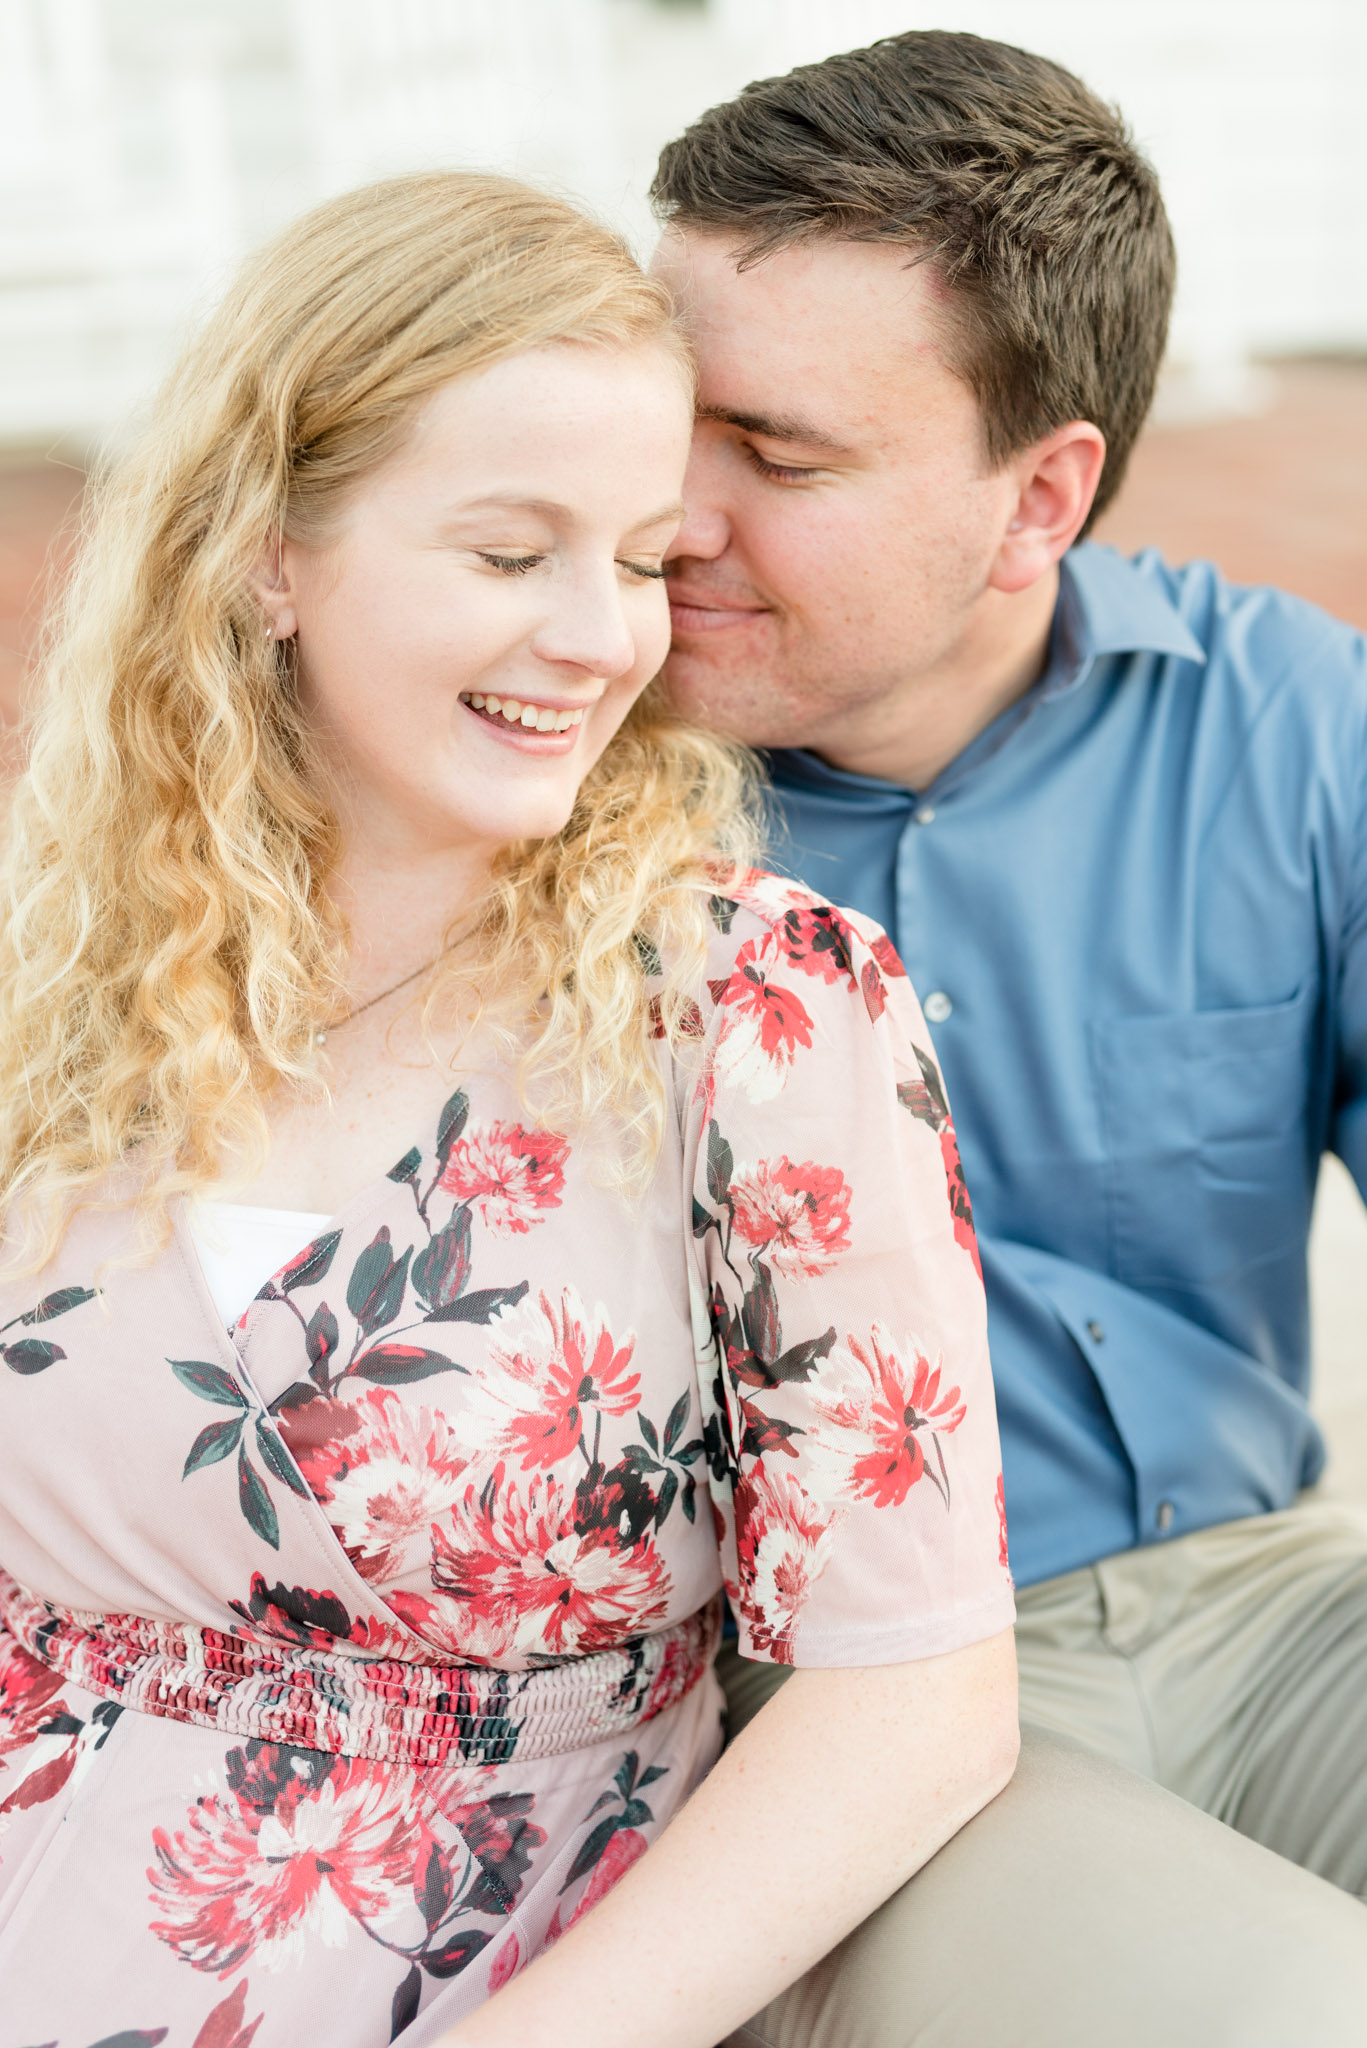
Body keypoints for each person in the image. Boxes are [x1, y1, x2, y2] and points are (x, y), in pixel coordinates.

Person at [0, 170, 1016, 2048]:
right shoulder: (58, 960)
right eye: (506, 551)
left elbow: (916, 1695)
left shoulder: (757, 1010)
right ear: (268, 552)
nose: (598, 637)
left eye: (638, 560)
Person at [649, 27, 1367, 2047]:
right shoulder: (552, 791)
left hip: (1277, 1599)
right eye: (661, 422)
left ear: (1037, 493)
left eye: (777, 460)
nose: (672, 519)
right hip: (845, 1695)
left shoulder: (1293, 724)